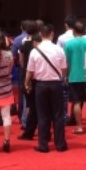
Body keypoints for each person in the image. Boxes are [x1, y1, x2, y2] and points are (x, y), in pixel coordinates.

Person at [25, 23, 69, 153]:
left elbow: (30, 71)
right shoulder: (58, 49)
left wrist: (27, 83)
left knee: (42, 115)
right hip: (56, 84)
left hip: (41, 85)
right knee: (58, 115)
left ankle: (43, 144)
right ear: (52, 34)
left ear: (40, 34)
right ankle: (60, 144)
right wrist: (63, 77)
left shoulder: (35, 51)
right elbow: (64, 68)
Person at [64, 20, 86, 134]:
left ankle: (79, 126)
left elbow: (66, 61)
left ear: (74, 31)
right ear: (84, 30)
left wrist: (66, 75)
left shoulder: (68, 44)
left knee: (76, 102)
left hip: (74, 76)